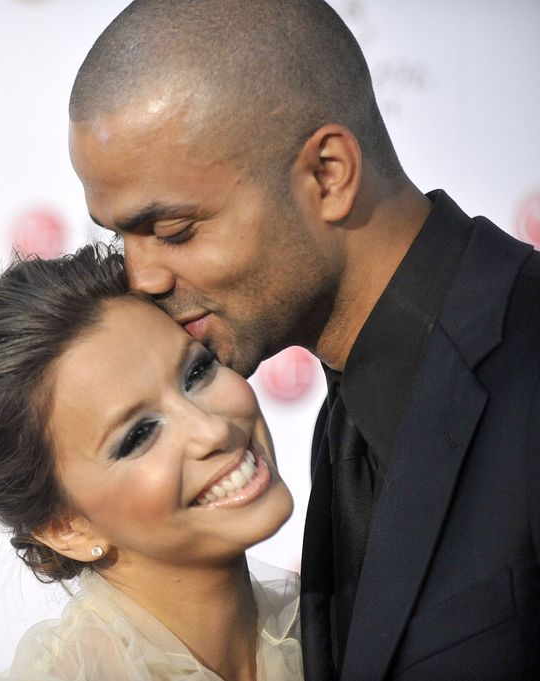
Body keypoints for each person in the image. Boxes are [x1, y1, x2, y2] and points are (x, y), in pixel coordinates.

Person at [67, 1, 540, 680]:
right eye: (120, 237)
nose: (140, 278)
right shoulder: (342, 421)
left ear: (328, 174)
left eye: (173, 231)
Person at [0, 245, 302, 680]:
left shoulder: (338, 625)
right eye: (139, 435)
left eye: (196, 373)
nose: (213, 430)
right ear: (65, 527)